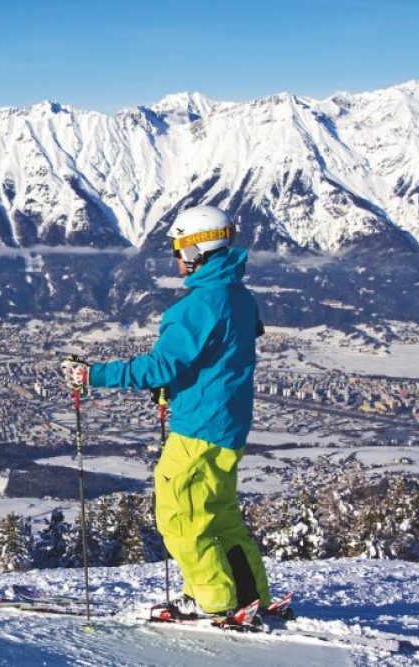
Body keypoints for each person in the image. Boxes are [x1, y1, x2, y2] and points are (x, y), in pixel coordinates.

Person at [61, 205, 271, 623]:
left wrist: (92, 375)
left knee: (179, 516)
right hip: (227, 427)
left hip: (198, 428)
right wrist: (176, 382)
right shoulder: (239, 298)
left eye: (180, 248)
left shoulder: (199, 306)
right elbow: (219, 357)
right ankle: (248, 594)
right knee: (219, 516)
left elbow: (161, 365)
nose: (177, 258)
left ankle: (215, 600)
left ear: (199, 249)